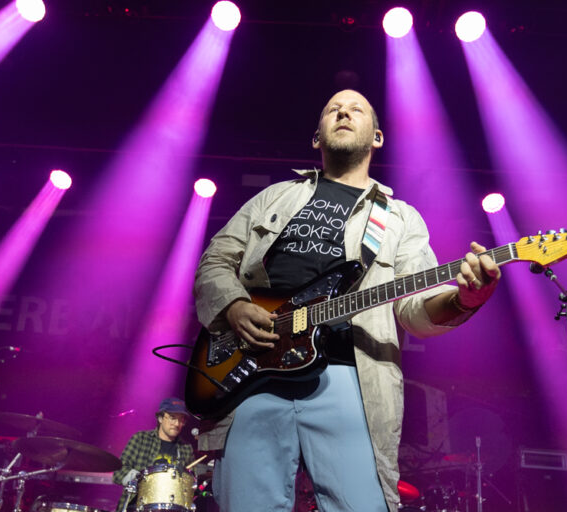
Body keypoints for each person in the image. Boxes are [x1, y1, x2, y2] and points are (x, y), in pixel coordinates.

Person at [193, 89, 501, 512]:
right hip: (252, 375)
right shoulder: (274, 197)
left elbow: (414, 310)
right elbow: (215, 260)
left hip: (348, 374)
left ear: (377, 137)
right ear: (316, 137)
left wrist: (466, 299)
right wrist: (234, 306)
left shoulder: (399, 218)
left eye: (356, 109)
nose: (343, 112)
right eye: (333, 109)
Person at [113, 397, 196, 512]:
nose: (177, 424)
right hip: (137, 507)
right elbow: (118, 472)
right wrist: (141, 480)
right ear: (160, 418)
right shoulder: (141, 439)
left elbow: (192, 483)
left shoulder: (186, 448)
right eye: (172, 418)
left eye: (181, 420)